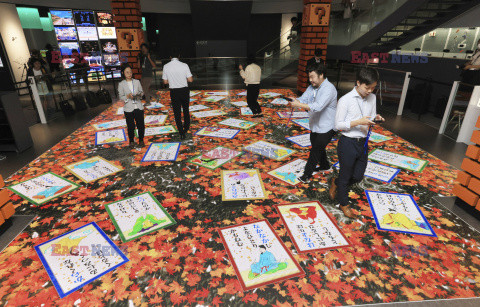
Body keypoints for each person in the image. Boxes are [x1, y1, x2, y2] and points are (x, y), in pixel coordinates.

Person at [330, 67, 384, 218]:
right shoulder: (345, 100)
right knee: (346, 176)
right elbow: (337, 125)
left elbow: (371, 117)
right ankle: (344, 204)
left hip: (364, 142)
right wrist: (357, 122)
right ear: (358, 82)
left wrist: (376, 118)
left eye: (373, 88)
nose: (370, 91)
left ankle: (336, 181)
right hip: (347, 142)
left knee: (358, 176)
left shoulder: (372, 98)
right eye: (367, 87)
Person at [288, 63, 337, 183]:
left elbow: (318, 107)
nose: (310, 80)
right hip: (315, 125)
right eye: (309, 77)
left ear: (321, 75)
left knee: (315, 150)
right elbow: (303, 99)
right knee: (317, 147)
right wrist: (296, 101)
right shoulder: (312, 87)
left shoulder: (329, 89)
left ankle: (306, 175)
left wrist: (298, 104)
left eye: (313, 77)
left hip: (327, 127)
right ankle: (325, 166)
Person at [162, 48, 193, 140]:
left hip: (174, 91)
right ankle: (186, 128)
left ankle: (181, 132)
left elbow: (165, 82)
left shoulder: (166, 66)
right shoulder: (184, 65)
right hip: (184, 90)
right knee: (186, 110)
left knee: (177, 112)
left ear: (170, 57)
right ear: (179, 56)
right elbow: (190, 79)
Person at [118, 64, 145, 148]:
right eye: (127, 72)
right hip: (128, 108)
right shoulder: (121, 84)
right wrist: (127, 96)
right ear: (123, 73)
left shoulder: (137, 82)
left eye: (130, 72)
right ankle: (132, 141)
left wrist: (139, 94)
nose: (129, 74)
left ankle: (141, 140)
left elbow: (142, 92)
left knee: (141, 125)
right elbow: (121, 96)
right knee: (130, 126)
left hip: (138, 106)